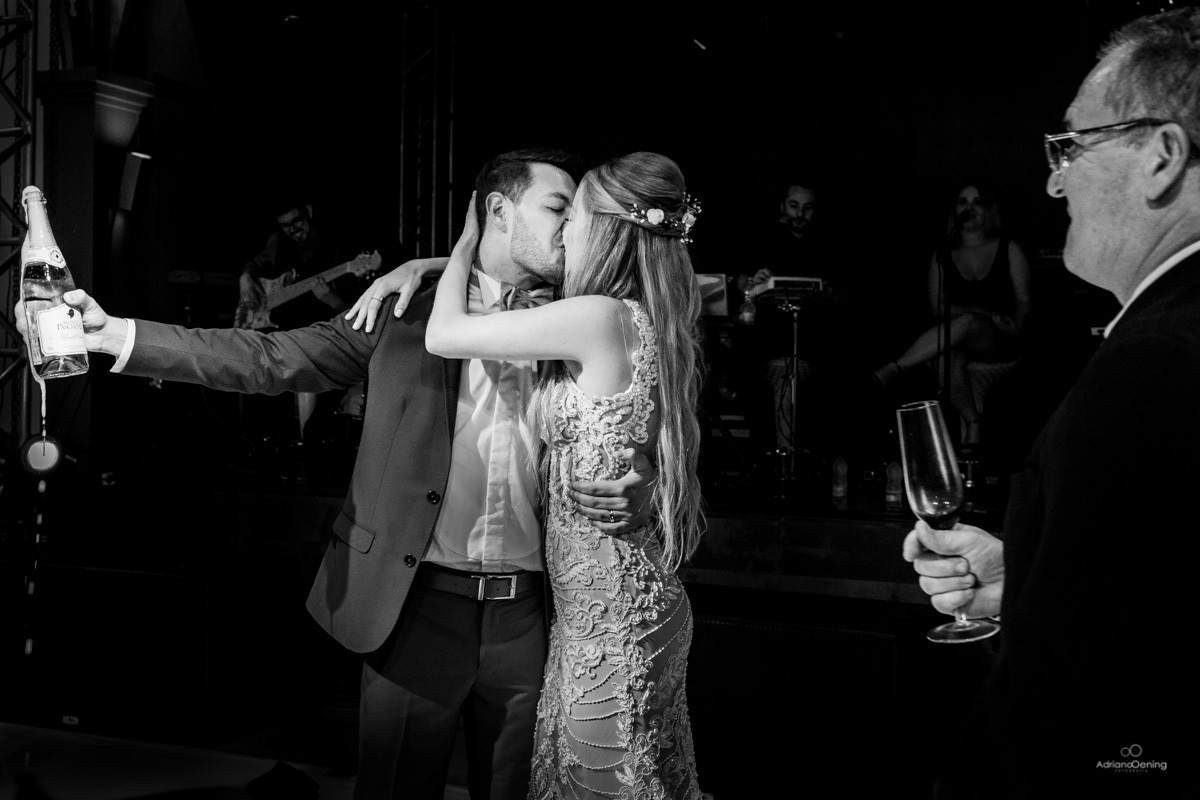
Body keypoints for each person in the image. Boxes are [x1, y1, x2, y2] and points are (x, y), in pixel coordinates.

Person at [15, 148, 657, 800]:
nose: (571, 226)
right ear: (498, 209)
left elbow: (635, 418)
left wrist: (642, 478)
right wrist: (113, 335)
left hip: (532, 621)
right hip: (415, 612)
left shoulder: (580, 318)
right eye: (557, 208)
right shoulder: (404, 313)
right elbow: (270, 357)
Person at [903, 8, 1199, 797]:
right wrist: (1028, 579)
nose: (1052, 178)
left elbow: (1080, 717)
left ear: (1162, 157)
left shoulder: (1159, 364)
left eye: (1071, 145)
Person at [413, 151, 704, 798]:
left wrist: (458, 244)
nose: (564, 232)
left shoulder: (598, 316)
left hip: (612, 616)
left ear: (606, 228)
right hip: (596, 608)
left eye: (573, 217)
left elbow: (447, 332)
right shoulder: (621, 315)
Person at [872, 181, 1032, 448]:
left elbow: (1024, 300)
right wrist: (981, 311)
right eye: (962, 202)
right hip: (956, 339)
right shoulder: (942, 254)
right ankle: (973, 423)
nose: (969, 208)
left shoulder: (1008, 249)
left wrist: (1015, 325)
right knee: (949, 357)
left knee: (967, 322)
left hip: (998, 339)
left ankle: (894, 367)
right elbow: (936, 307)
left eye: (976, 202)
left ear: (988, 209)